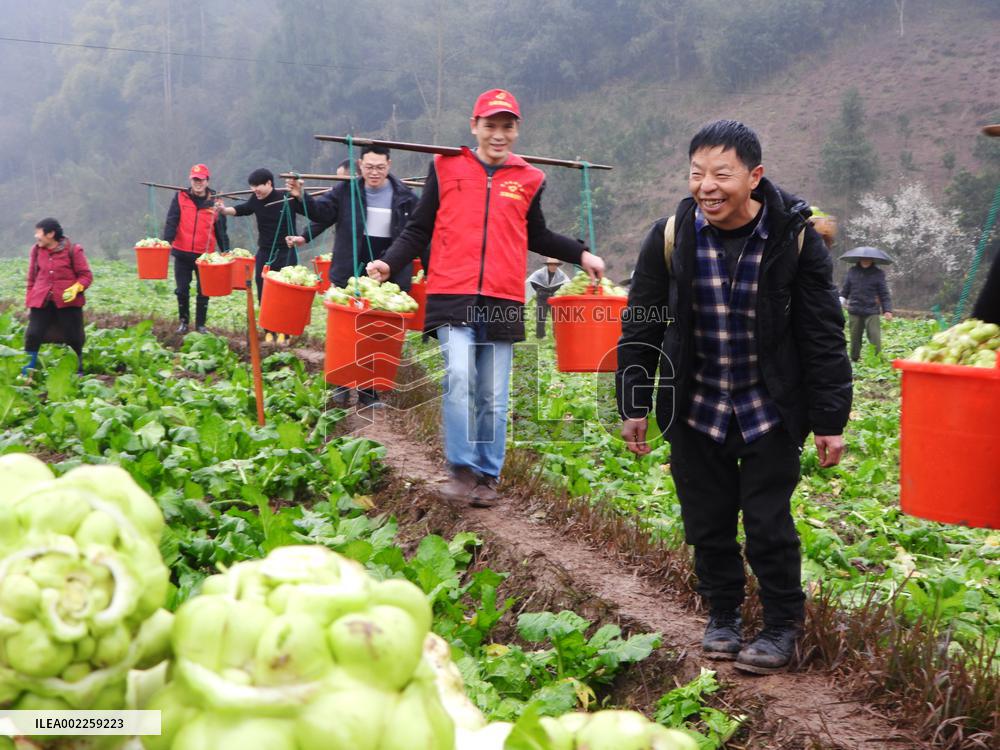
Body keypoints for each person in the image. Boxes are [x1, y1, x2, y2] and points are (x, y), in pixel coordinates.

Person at [616, 120, 851, 674]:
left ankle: (780, 626)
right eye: (697, 174)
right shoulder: (671, 237)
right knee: (707, 520)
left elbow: (822, 333)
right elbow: (641, 323)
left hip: (768, 405)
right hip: (695, 404)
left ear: (755, 177)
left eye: (722, 174)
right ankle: (723, 615)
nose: (708, 186)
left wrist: (829, 418)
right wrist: (633, 403)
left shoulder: (795, 238)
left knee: (769, 522)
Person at [367, 88, 606, 507]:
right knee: (460, 377)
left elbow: (538, 235)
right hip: (451, 291)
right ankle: (460, 468)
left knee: (493, 394)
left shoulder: (529, 178)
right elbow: (419, 228)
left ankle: (486, 475)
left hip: (502, 296)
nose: (499, 134)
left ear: (516, 130)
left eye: (507, 126)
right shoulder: (445, 167)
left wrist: (581, 253)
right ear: (474, 126)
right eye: (490, 125)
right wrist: (389, 262)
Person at [285, 145, 419, 409]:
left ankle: (370, 392)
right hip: (351, 266)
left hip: (389, 266)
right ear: (360, 165)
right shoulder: (346, 191)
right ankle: (342, 385)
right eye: (369, 167)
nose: (374, 172)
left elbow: (416, 234)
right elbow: (322, 212)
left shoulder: (405, 197)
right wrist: (302, 198)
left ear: (389, 165)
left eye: (380, 167)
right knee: (346, 330)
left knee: (376, 332)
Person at [215, 168, 297, 343]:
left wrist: (298, 192)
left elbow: (309, 207)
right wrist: (224, 210)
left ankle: (285, 332)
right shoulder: (256, 199)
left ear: (269, 183)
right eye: (252, 187)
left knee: (285, 292)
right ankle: (269, 330)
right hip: (265, 250)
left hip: (286, 250)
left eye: (258, 186)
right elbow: (243, 209)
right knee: (263, 289)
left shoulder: (287, 198)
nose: (255, 190)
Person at [163, 163, 229, 334]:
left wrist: (226, 251)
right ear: (190, 180)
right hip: (182, 252)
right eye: (195, 179)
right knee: (182, 290)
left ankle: (200, 325)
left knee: (204, 291)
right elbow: (172, 221)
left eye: (201, 180)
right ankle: (183, 323)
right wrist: (166, 243)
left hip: (204, 256)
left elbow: (221, 229)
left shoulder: (216, 202)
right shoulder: (180, 197)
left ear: (207, 181)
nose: (198, 183)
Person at [23, 218, 93, 378]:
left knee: (74, 337)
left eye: (38, 233)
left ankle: (78, 371)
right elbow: (32, 278)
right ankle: (27, 371)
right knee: (33, 334)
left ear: (51, 234)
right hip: (42, 299)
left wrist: (76, 288)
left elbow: (86, 276)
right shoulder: (36, 250)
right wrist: (29, 299)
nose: (36, 236)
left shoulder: (73, 250)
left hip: (68, 302)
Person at [840, 257, 893, 361]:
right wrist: (840, 301)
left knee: (875, 336)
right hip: (855, 309)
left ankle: (877, 359)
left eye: (868, 259)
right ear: (859, 259)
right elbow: (845, 289)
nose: (865, 260)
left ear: (872, 260)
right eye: (863, 259)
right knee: (855, 337)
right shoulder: (852, 271)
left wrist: (887, 310)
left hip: (871, 310)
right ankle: (854, 358)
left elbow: (884, 293)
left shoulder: (878, 273)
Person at [526, 258, 570, 338]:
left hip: (554, 298)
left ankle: (556, 335)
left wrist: (555, 292)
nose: (553, 267)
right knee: (540, 317)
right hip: (542, 298)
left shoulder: (560, 275)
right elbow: (533, 282)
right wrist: (539, 291)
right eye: (551, 265)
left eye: (555, 265)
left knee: (556, 318)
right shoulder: (540, 273)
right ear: (548, 265)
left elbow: (564, 284)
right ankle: (540, 336)